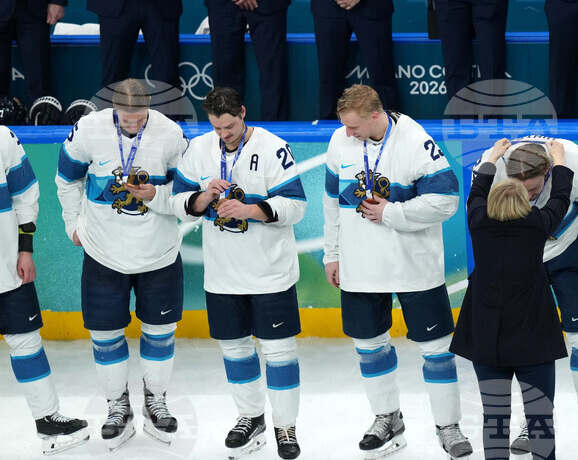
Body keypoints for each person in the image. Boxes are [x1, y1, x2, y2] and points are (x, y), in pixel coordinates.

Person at [322, 84, 472, 459]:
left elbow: (446, 200)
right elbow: (330, 202)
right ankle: (386, 417)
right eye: (344, 127)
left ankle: (448, 425)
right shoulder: (340, 141)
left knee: (436, 350)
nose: (347, 134)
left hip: (413, 265)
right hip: (359, 264)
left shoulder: (415, 140)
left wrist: (392, 213)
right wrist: (332, 254)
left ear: (376, 115)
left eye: (354, 127)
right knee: (369, 347)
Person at [54, 78, 189, 451]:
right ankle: (118, 407)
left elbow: (186, 191)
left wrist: (157, 195)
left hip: (158, 253)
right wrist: (71, 223)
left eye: (139, 118)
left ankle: (156, 399)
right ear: (113, 110)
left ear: (149, 108)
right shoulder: (88, 128)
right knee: (105, 334)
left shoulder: (169, 133)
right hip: (103, 253)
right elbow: (67, 179)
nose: (133, 124)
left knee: (160, 329)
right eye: (126, 119)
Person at [171, 87, 305, 459]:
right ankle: (250, 418)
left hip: (269, 273)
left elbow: (295, 206)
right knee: (235, 349)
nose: (223, 135)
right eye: (216, 128)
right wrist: (202, 198)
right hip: (222, 274)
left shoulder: (273, 147)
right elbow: (176, 203)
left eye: (229, 127)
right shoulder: (199, 149)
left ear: (243, 113)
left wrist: (250, 210)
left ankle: (285, 425)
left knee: (278, 351)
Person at [475, 135, 578, 459]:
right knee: (527, 346)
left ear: (548, 172)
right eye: (521, 191)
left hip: (572, 249)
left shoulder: (576, 162)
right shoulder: (490, 170)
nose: (527, 200)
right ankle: (534, 420)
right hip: (522, 259)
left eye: (533, 190)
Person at [453, 138, 572, 460]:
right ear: (525, 202)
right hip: (534, 337)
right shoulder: (538, 224)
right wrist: (558, 159)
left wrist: (492, 156)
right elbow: (561, 195)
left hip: (487, 336)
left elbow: (477, 190)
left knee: (494, 417)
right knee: (540, 418)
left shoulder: (477, 220)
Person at [2, 124, 89, 455]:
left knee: (26, 342)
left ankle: (47, 419)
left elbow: (24, 195)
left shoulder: (3, 139)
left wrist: (25, 249)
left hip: (6, 264)